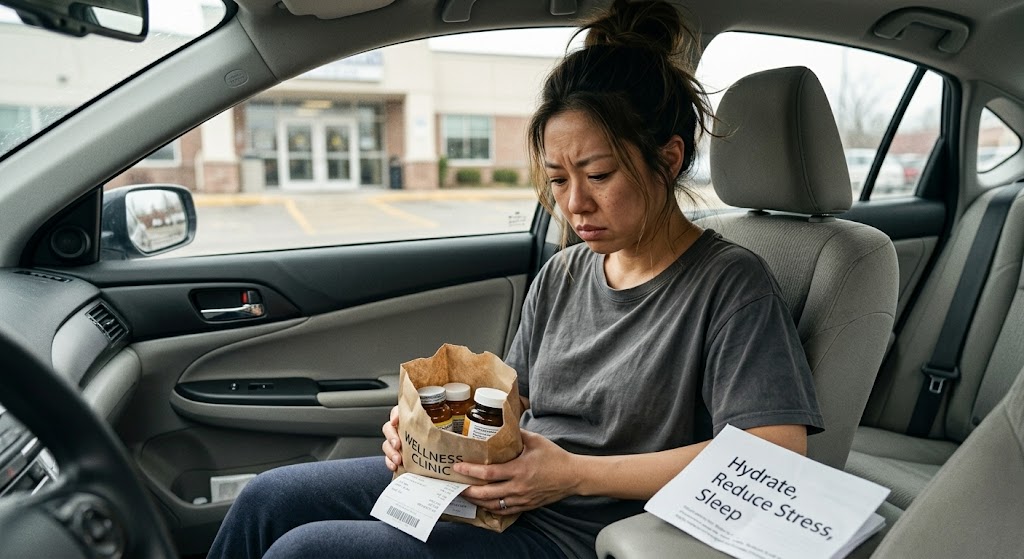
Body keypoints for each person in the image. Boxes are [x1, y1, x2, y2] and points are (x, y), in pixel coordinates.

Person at [207, 1, 823, 557]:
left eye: (599, 175)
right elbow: (510, 402)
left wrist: (574, 474)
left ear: (669, 157)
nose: (573, 203)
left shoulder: (730, 284)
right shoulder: (563, 272)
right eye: (557, 180)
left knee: (311, 553)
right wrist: (424, 432)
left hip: (584, 530)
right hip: (497, 489)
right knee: (269, 499)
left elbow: (774, 450)